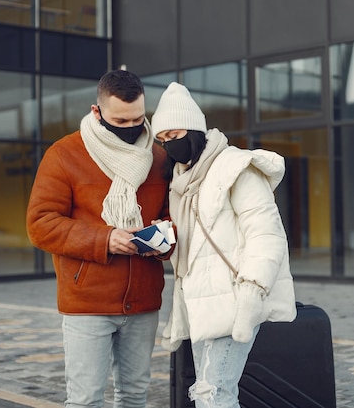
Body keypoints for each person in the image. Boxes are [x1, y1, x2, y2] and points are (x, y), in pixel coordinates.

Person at [26, 69, 170, 408]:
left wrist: (162, 238)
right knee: (86, 401)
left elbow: (170, 218)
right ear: (97, 112)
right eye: (120, 122)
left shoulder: (159, 157)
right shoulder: (64, 154)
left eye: (138, 119)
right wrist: (105, 239)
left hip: (144, 299)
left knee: (135, 396)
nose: (131, 128)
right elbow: (40, 224)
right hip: (87, 303)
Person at [151, 82, 297, 408]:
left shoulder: (236, 167)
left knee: (212, 393)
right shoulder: (180, 183)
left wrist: (251, 292)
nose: (168, 145)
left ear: (193, 130)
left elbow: (266, 234)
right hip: (202, 304)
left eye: (173, 135)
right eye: (161, 140)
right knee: (209, 390)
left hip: (236, 297)